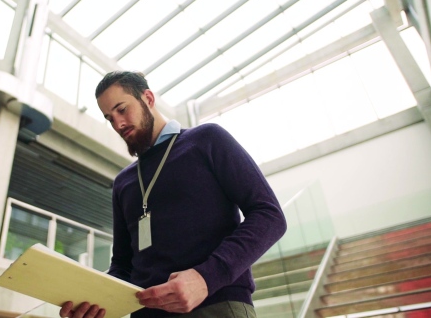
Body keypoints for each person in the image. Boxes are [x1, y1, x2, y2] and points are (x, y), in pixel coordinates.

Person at [60, 71, 286, 318]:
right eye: (109, 118)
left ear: (147, 98)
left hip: (216, 306)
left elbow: (269, 215)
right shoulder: (123, 182)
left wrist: (206, 278)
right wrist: (94, 302)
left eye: (122, 109)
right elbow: (123, 266)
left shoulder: (205, 140)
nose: (118, 124)